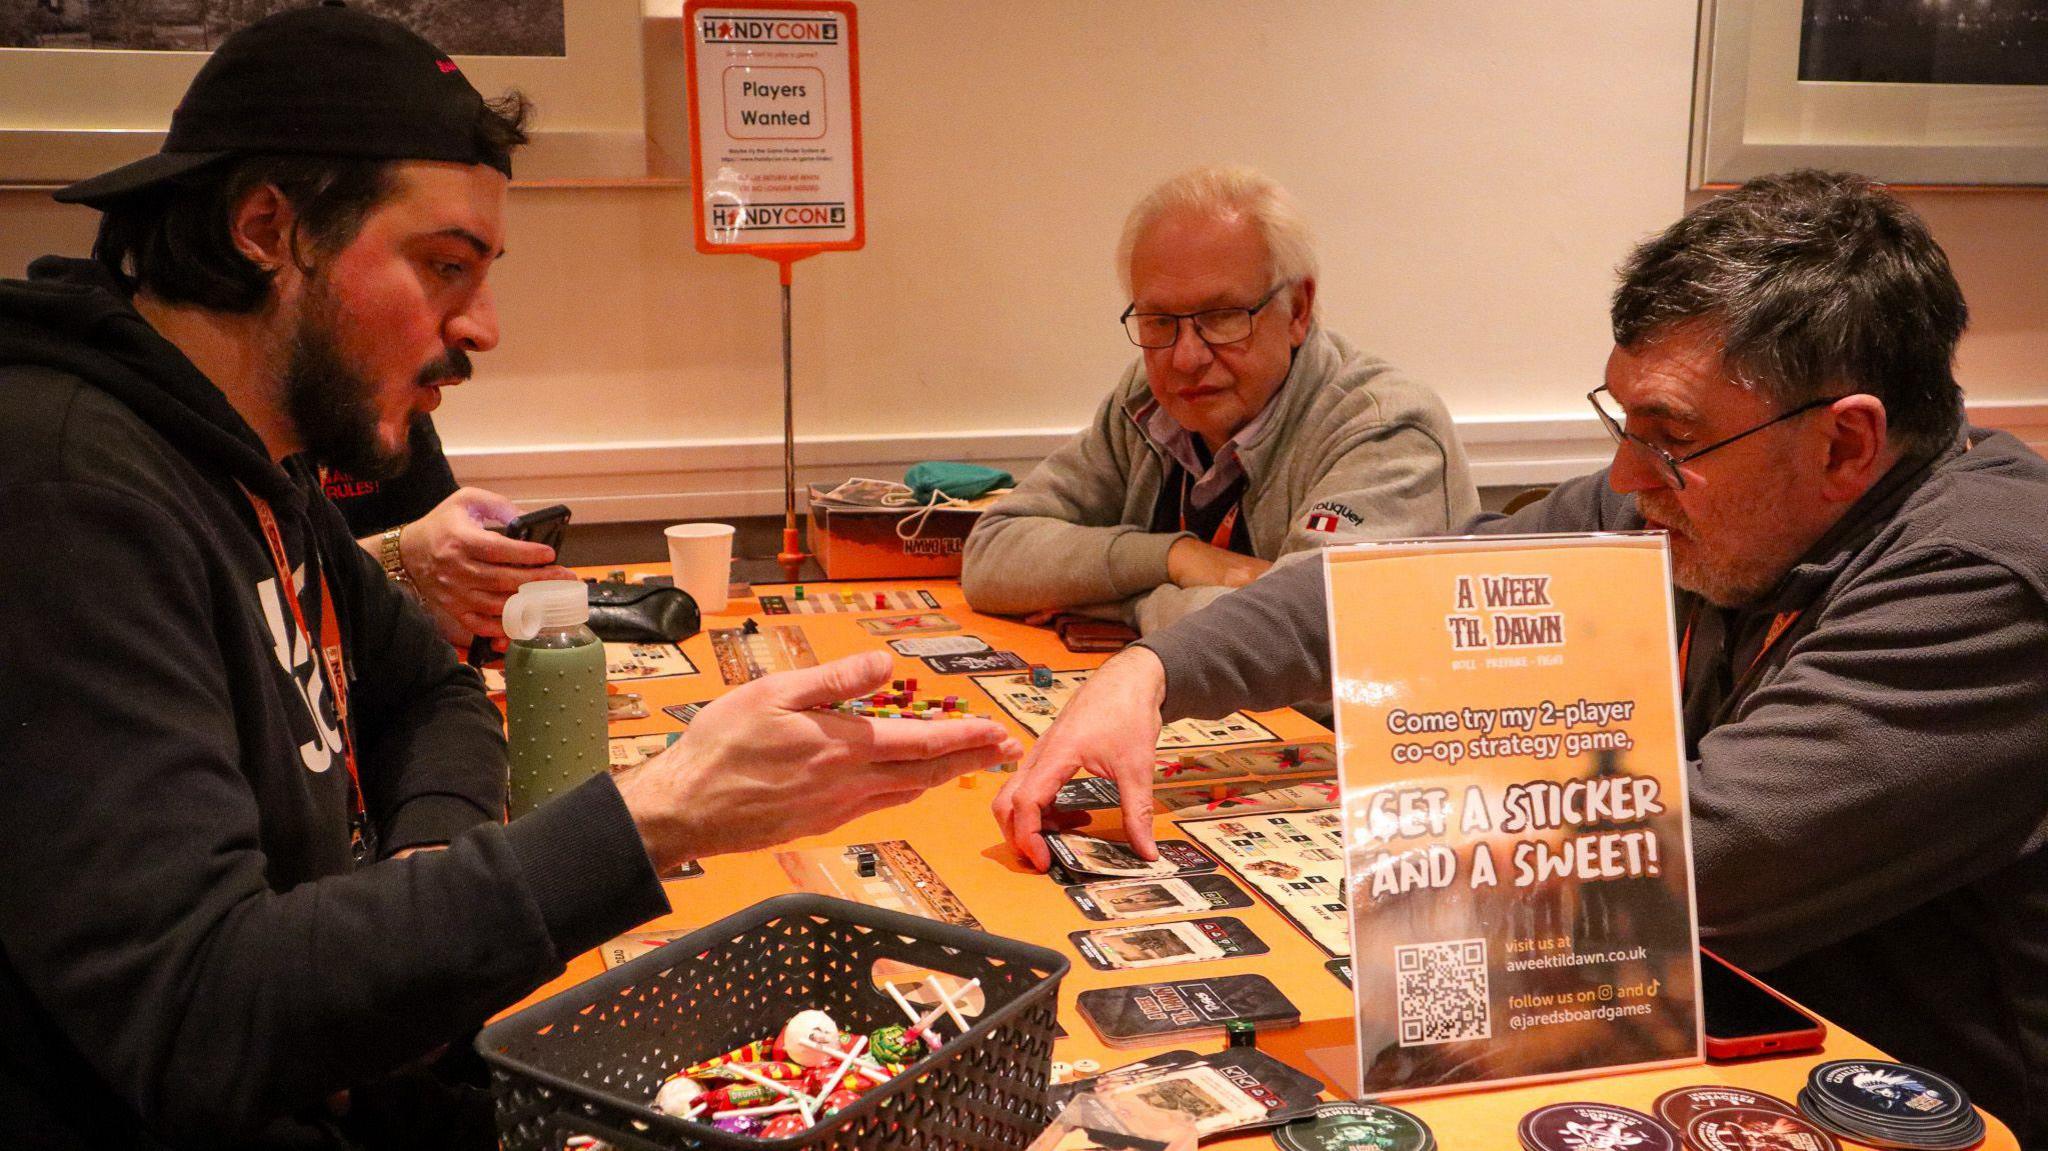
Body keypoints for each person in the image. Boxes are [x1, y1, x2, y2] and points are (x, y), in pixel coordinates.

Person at [0, 7, 1017, 1147]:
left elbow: (430, 688)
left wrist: (424, 878)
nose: (480, 325)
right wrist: (658, 811)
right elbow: (199, 1015)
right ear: (264, 228)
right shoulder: (67, 491)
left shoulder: (251, 459)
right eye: (442, 266)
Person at [995, 170, 2048, 1143]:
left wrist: (1410, 825)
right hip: (1685, 1033)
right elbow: (1394, 591)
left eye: (1668, 435)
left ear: (1843, 444)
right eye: (1620, 420)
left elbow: (1700, 852)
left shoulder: (1986, 578)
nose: (1626, 474)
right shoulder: (1692, 494)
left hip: (1905, 1101)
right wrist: (1151, 672)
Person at [961, 165, 1477, 636]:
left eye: (1222, 316)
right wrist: (1177, 558)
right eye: (1159, 321)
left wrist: (1126, 604)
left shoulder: (1388, 431)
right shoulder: (1146, 402)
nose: (1185, 357)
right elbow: (990, 556)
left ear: (1297, 310)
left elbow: (1310, 640)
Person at [328, 413, 578, 648]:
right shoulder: (291, 462)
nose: (448, 385)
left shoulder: (407, 406)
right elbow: (296, 585)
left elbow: (439, 572)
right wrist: (400, 553)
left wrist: (462, 601)